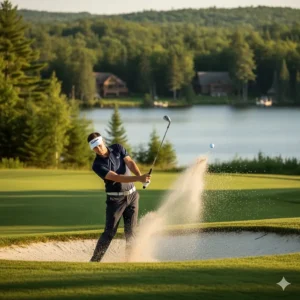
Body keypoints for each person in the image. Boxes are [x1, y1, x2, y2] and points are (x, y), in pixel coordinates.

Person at [87, 132, 151, 262]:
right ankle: (94, 262)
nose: (98, 149)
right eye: (95, 148)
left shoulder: (117, 148)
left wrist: (141, 177)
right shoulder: (97, 165)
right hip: (115, 200)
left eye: (99, 145)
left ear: (103, 141)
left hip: (132, 196)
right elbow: (117, 177)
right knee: (109, 233)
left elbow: (130, 162)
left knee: (131, 232)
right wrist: (139, 178)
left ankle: (129, 261)